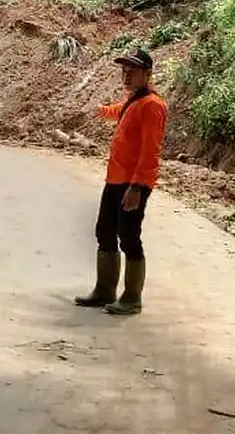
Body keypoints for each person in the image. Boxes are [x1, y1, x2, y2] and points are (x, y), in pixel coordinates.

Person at [74, 47, 168, 316]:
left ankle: (132, 297)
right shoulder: (134, 100)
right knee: (104, 231)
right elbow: (118, 111)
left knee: (128, 237)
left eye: (133, 71)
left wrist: (137, 187)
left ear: (147, 74)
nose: (126, 75)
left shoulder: (153, 105)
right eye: (124, 71)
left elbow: (151, 150)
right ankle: (105, 290)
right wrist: (99, 110)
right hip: (115, 179)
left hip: (133, 184)